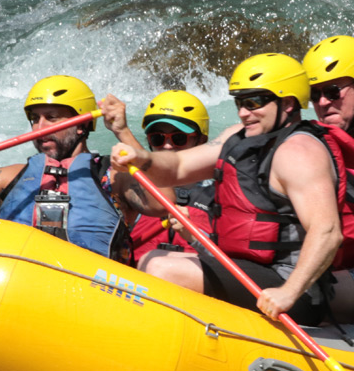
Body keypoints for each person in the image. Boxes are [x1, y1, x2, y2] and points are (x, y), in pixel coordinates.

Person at [111, 53, 345, 326]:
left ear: (289, 103)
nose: (243, 112)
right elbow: (177, 167)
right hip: (251, 269)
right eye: (240, 102)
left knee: (160, 266)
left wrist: (288, 292)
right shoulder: (238, 137)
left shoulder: (300, 152)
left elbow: (327, 231)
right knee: (158, 256)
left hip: (291, 286)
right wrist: (142, 158)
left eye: (254, 102)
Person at [0, 75, 168, 262]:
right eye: (35, 119)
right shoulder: (11, 176)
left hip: (88, 289)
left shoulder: (113, 178)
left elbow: (162, 203)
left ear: (81, 124)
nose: (40, 128)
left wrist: (122, 132)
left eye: (52, 117)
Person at [101, 90, 213, 264]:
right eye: (157, 139)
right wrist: (122, 130)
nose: (167, 146)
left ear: (201, 141)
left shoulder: (221, 194)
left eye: (178, 138)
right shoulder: (132, 185)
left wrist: (193, 237)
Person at [303, 35, 354, 320]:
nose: (323, 102)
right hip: (337, 267)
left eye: (333, 91)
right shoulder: (312, 141)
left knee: (305, 296)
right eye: (314, 94)